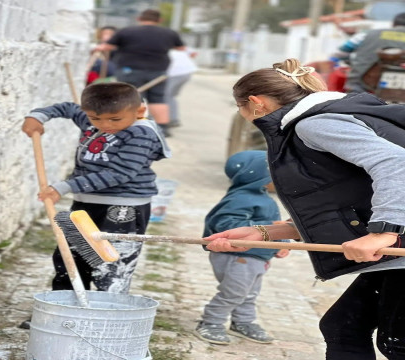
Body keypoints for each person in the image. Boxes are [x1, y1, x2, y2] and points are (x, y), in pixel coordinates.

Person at [205, 58, 405, 359]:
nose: (242, 115)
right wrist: (268, 231)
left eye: (240, 107)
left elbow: (396, 164)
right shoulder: (318, 120)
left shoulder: (316, 124)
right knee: (342, 328)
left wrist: (384, 232)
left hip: (397, 242)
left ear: (256, 103)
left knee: (395, 343)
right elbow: (350, 196)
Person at [21, 82, 171, 295]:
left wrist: (63, 187)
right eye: (95, 118)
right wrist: (37, 116)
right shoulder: (94, 121)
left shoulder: (140, 134)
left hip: (122, 209)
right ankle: (65, 308)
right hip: (86, 203)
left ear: (139, 111)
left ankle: (105, 314)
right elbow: (68, 108)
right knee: (70, 257)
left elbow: (120, 174)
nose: (105, 125)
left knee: (111, 265)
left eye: (115, 119)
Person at [194, 150, 290, 345]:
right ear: (258, 174)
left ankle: (243, 322)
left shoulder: (260, 195)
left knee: (249, 294)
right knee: (234, 293)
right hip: (238, 257)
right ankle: (210, 323)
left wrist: (281, 242)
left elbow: (273, 226)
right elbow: (226, 224)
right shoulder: (241, 198)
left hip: (256, 258)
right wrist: (266, 229)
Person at [94, 9, 186, 136]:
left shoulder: (127, 31)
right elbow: (181, 48)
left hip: (129, 70)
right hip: (158, 71)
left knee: (128, 98)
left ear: (139, 19)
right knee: (158, 99)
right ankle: (163, 129)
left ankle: (126, 126)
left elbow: (107, 46)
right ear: (160, 20)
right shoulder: (169, 33)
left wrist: (98, 48)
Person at [337, 12, 405, 93]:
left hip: (361, 86)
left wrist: (351, 62)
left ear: (393, 24)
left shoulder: (366, 34)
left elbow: (340, 53)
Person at [165, 46, 197, 128]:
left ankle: (172, 119)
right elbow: (194, 53)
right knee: (170, 95)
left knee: (166, 95)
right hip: (187, 72)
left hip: (175, 72)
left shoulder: (164, 48)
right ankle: (173, 118)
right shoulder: (178, 47)